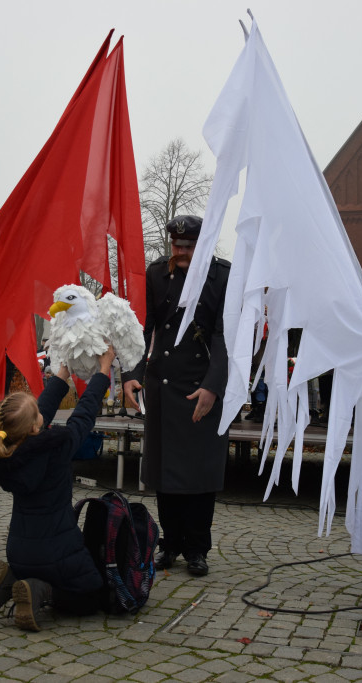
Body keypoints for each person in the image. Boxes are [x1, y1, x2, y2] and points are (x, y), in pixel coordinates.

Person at [0, 346, 115, 631]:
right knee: (92, 593)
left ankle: (13, 579)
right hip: (56, 551)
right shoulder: (56, 447)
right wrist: (103, 371)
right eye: (38, 416)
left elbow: (40, 410)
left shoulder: (9, 452)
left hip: (19, 550)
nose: (43, 414)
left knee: (37, 569)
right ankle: (42, 591)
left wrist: (62, 373)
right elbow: (84, 414)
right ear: (35, 428)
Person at [122, 215, 230, 577]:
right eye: (176, 245)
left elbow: (223, 334)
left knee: (200, 471)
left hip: (202, 385)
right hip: (165, 384)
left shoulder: (223, 276)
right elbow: (144, 327)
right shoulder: (157, 274)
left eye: (188, 246)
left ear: (203, 243)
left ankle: (197, 547)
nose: (180, 252)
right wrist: (132, 375)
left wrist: (213, 386)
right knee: (167, 472)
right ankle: (170, 543)